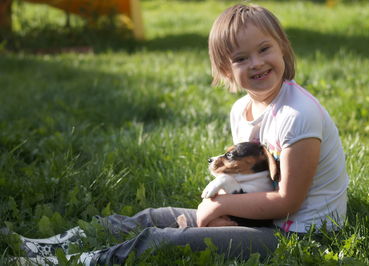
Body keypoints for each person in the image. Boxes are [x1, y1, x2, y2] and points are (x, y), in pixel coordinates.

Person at [8, 4, 348, 265]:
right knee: (153, 217)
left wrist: (220, 208)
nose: (256, 63)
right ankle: (48, 245)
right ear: (226, 70)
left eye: (264, 50)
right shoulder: (240, 111)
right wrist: (223, 215)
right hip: (260, 219)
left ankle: (75, 261)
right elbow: (250, 180)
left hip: (300, 235)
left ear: (283, 48)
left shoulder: (298, 115)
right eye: (241, 58)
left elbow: (288, 202)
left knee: (164, 239)